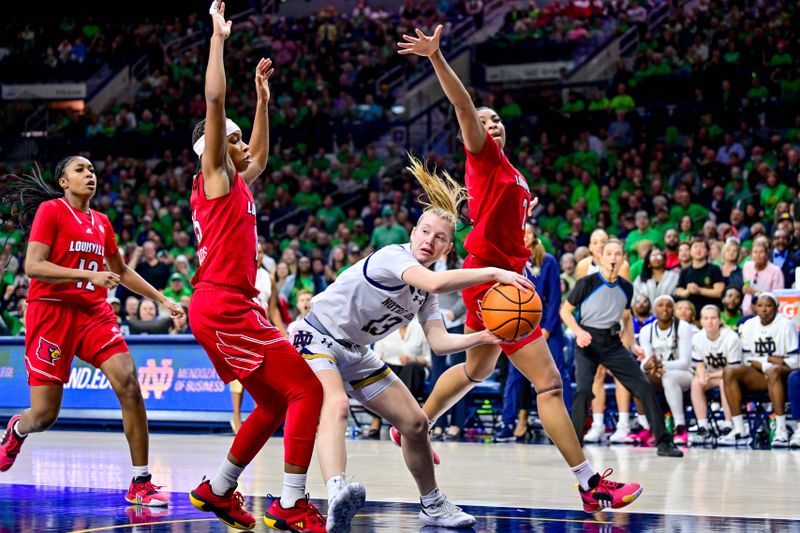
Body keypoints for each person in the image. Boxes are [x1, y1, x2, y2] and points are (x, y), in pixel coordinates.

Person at [398, 26, 643, 513]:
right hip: (493, 283)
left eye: (496, 122)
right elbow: (464, 106)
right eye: (482, 122)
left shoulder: (512, 172)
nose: (488, 125)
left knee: (474, 368)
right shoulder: (484, 159)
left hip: (493, 278)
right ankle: (590, 483)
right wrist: (438, 57)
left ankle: (411, 424)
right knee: (549, 384)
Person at [292, 156, 531, 530]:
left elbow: (438, 342)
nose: (429, 241)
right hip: (316, 335)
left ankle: (433, 504)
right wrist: (498, 271)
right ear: (413, 231)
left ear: (447, 248)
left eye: (439, 238)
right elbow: (436, 283)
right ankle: (337, 493)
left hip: (356, 352)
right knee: (336, 404)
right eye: (424, 232)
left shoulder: (423, 294)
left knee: (417, 424)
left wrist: (483, 336)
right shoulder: (393, 257)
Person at [185, 3, 325, 531]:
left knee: (269, 403)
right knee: (306, 390)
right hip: (222, 303)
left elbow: (261, 159)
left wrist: (264, 102)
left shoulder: (237, 180)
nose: (242, 144)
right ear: (216, 148)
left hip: (228, 304)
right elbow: (215, 99)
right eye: (234, 138)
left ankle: (217, 489)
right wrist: (219, 39)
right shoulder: (215, 176)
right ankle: (291, 503)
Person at [0, 156, 184, 506]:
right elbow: (34, 266)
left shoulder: (101, 222)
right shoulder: (51, 212)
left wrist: (163, 299)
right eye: (80, 170)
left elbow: (121, 270)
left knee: (128, 381)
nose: (90, 175)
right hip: (51, 313)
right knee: (43, 415)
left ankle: (141, 482)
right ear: (63, 182)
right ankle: (17, 430)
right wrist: (88, 275)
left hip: (93, 313)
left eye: (93, 170)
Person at [561, 239, 683, 457]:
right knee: (583, 391)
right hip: (587, 341)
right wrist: (579, 332)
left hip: (612, 343)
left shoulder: (627, 287)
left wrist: (633, 344)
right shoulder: (586, 283)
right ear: (601, 257)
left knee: (643, 387)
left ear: (623, 258)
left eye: (617, 254)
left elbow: (626, 317)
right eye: (609, 253)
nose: (613, 258)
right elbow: (565, 312)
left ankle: (664, 443)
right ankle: (574, 444)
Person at [496, 222, 568, 442]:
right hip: (520, 327)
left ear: (534, 237)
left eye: (527, 233)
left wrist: (546, 328)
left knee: (556, 376)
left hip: (548, 327)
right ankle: (512, 421)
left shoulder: (548, 262)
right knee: (514, 378)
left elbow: (555, 298)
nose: (524, 237)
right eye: (521, 233)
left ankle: (563, 424)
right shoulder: (509, 262)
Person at [576, 229, 635, 445]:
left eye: (603, 241)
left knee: (621, 374)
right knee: (597, 374)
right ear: (590, 247)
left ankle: (623, 425)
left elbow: (626, 305)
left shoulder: (623, 267)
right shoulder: (583, 266)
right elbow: (580, 300)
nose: (599, 245)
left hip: (616, 326)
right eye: (595, 242)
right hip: (591, 327)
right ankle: (598, 425)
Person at [721, 293, 799, 447]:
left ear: (776, 308)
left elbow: (795, 361)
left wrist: (768, 363)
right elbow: (746, 358)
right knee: (729, 371)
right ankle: (739, 429)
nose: (763, 309)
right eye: (760, 305)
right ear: (755, 307)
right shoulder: (749, 324)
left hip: (782, 373)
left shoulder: (786, 324)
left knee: (774, 371)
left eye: (768, 306)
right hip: (759, 372)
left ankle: (781, 429)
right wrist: (769, 360)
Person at [638, 296, 695, 445]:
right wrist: (647, 365)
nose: (664, 309)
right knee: (636, 380)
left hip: (685, 374)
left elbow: (685, 362)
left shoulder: (683, 327)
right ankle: (647, 426)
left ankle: (680, 426)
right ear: (654, 310)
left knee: (669, 378)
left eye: (669, 306)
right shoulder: (646, 330)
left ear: (673, 309)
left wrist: (661, 365)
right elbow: (646, 361)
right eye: (660, 305)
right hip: (660, 372)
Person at [689, 305, 740, 446]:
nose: (710, 322)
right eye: (706, 318)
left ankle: (728, 424)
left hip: (731, 375)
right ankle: (703, 426)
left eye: (713, 318)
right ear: (701, 321)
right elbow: (698, 363)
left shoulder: (731, 337)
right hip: (710, 375)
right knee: (696, 383)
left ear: (720, 320)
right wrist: (701, 375)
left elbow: (733, 368)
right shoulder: (697, 338)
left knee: (726, 381)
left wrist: (709, 376)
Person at [674, 237, 724, 312]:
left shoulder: (714, 269)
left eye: (702, 247)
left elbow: (719, 292)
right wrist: (687, 291)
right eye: (695, 247)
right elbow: (678, 290)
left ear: (707, 252)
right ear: (690, 251)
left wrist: (699, 290)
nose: (698, 250)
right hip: (690, 311)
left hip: (710, 310)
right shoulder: (685, 271)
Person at [741, 236, 784, 315]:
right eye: (755, 252)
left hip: (766, 314)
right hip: (747, 311)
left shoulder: (775, 270)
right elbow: (746, 287)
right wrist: (744, 290)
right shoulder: (747, 266)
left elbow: (776, 297)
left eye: (761, 252)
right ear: (751, 254)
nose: (758, 255)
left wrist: (756, 293)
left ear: (767, 254)